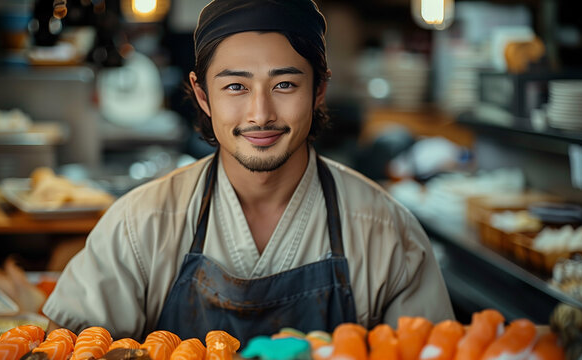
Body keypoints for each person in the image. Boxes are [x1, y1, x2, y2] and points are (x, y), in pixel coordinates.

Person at [43, 0, 454, 344]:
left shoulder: (386, 232)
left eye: (285, 85)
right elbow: (67, 346)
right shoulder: (139, 225)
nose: (261, 114)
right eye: (236, 87)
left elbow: (435, 349)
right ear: (203, 95)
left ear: (319, 91)